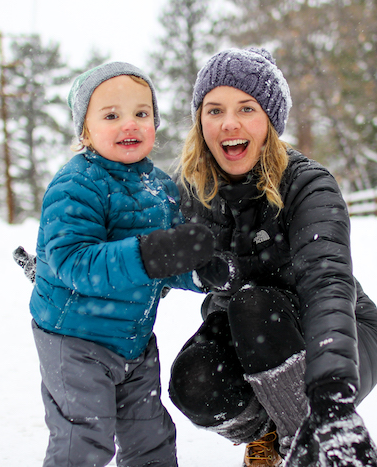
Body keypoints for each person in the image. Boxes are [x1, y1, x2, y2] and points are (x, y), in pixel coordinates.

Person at [167, 47, 377, 467]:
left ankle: (312, 443)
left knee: (255, 304)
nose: (229, 123)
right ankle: (272, 432)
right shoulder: (190, 192)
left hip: (339, 340)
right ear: (200, 122)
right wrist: (81, 276)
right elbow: (147, 258)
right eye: (214, 110)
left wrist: (331, 394)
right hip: (247, 338)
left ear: (270, 120)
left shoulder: (308, 185)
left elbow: (327, 285)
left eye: (246, 108)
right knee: (193, 381)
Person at [20, 61, 237, 467]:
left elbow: (165, 261)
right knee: (84, 439)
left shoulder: (161, 187)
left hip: (134, 341)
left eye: (141, 113)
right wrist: (150, 252)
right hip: (74, 339)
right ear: (85, 131)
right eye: (111, 115)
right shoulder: (76, 184)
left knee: (150, 436)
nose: (129, 125)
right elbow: (73, 261)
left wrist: (197, 272)